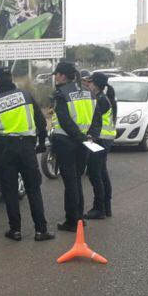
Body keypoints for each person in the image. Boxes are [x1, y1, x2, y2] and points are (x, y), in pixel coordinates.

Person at [0, 67, 54, 242]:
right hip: (27, 148)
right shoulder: (25, 95)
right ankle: (41, 231)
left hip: (5, 150)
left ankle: (15, 231)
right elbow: (41, 121)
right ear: (10, 78)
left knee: (10, 191)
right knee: (33, 189)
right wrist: (42, 142)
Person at [49, 61, 94, 231]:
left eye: (57, 75)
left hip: (66, 141)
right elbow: (95, 116)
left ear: (62, 76)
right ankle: (80, 218)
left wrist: (78, 136)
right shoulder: (87, 92)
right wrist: (86, 137)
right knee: (77, 180)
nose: (56, 78)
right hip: (83, 142)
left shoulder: (61, 94)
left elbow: (65, 121)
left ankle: (72, 221)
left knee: (70, 183)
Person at [82, 72, 117, 219]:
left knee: (94, 173)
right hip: (105, 139)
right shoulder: (104, 98)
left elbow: (91, 119)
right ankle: (106, 207)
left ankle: (99, 208)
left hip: (99, 140)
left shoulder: (100, 100)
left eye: (89, 83)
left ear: (96, 85)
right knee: (101, 172)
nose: (87, 85)